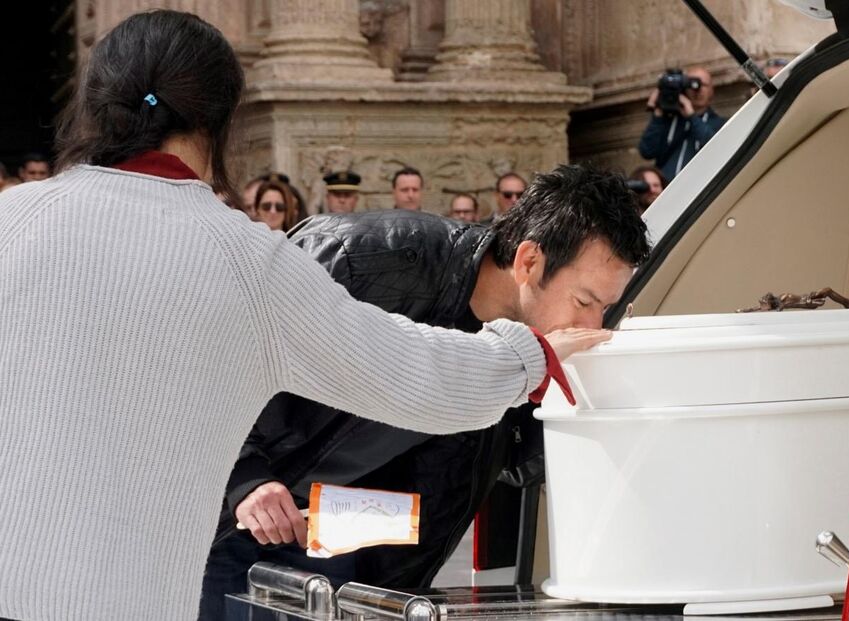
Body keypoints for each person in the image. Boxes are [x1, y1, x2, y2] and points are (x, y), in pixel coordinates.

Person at [0, 11, 609, 621]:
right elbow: (410, 372)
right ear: (222, 119)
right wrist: (531, 354)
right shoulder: (246, 261)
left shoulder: (11, 222)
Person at [200, 163, 651, 617]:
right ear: (529, 261)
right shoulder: (360, 255)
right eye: (584, 302)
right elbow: (223, 356)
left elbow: (509, 463)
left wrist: (578, 399)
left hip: (353, 551)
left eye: (606, 307)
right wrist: (247, 474)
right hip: (236, 519)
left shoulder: (529, 342)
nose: (591, 324)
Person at [638, 66, 726, 181]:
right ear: (683, 88)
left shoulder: (719, 124)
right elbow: (647, 151)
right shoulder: (668, 121)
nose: (697, 89)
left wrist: (692, 117)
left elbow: (717, 149)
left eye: (702, 85)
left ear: (712, 90)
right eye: (691, 84)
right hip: (666, 190)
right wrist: (658, 115)